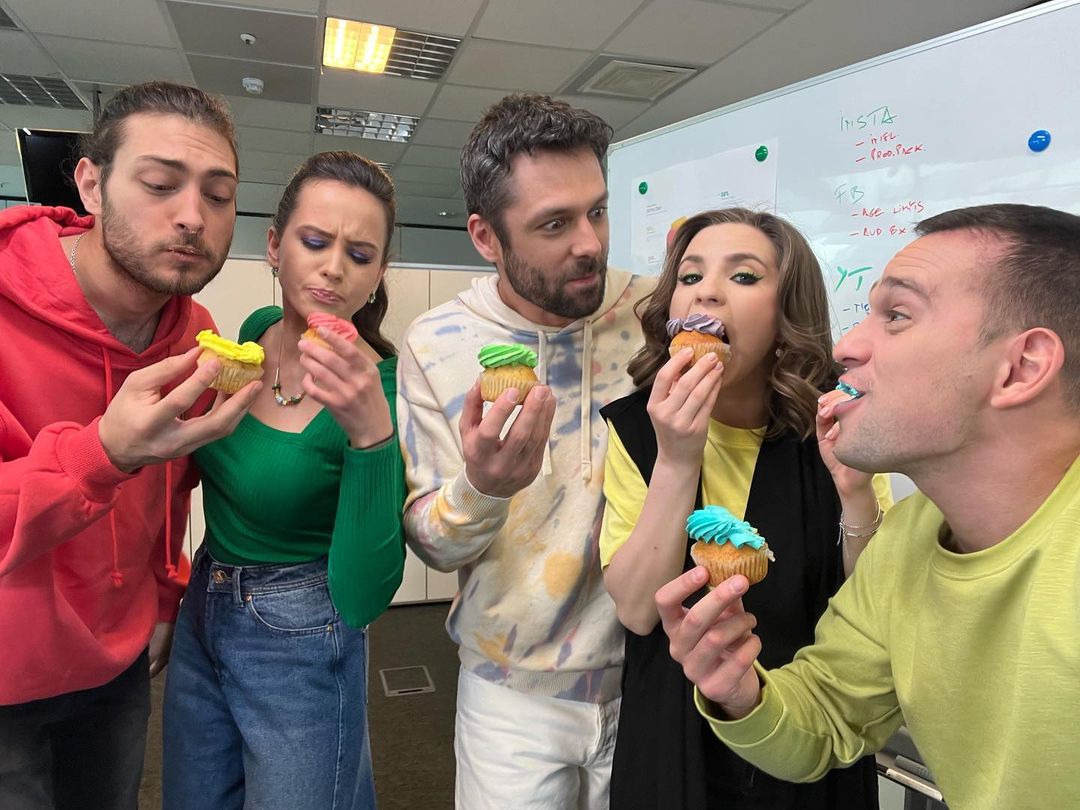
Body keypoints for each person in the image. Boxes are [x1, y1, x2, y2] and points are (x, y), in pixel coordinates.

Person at [656, 203, 1080, 809]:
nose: (847, 347)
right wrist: (741, 691)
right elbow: (828, 713)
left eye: (897, 315)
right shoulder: (908, 536)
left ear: (1021, 367)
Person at [0, 80, 257, 809]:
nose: (192, 216)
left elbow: (170, 483)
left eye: (218, 194)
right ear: (91, 184)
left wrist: (166, 593)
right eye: (159, 184)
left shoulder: (194, 330)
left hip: (116, 666)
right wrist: (101, 455)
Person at [397, 94, 653, 809]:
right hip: (510, 696)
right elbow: (432, 544)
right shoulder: (436, 342)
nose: (590, 243)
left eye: (598, 211)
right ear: (486, 237)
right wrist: (482, 486)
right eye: (555, 223)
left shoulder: (654, 314)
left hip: (654, 675)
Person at [599, 208, 891, 809]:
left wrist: (856, 493)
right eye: (690, 276)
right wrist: (676, 459)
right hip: (673, 730)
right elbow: (637, 611)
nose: (705, 291)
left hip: (806, 724)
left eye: (743, 276)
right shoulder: (637, 427)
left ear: (787, 316)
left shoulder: (836, 425)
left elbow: (876, 610)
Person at [161, 151, 405, 810]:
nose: (334, 268)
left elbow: (365, 598)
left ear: (378, 274)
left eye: (359, 254)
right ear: (275, 247)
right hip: (205, 603)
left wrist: (371, 437)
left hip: (302, 633)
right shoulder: (255, 333)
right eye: (315, 242)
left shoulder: (380, 392)